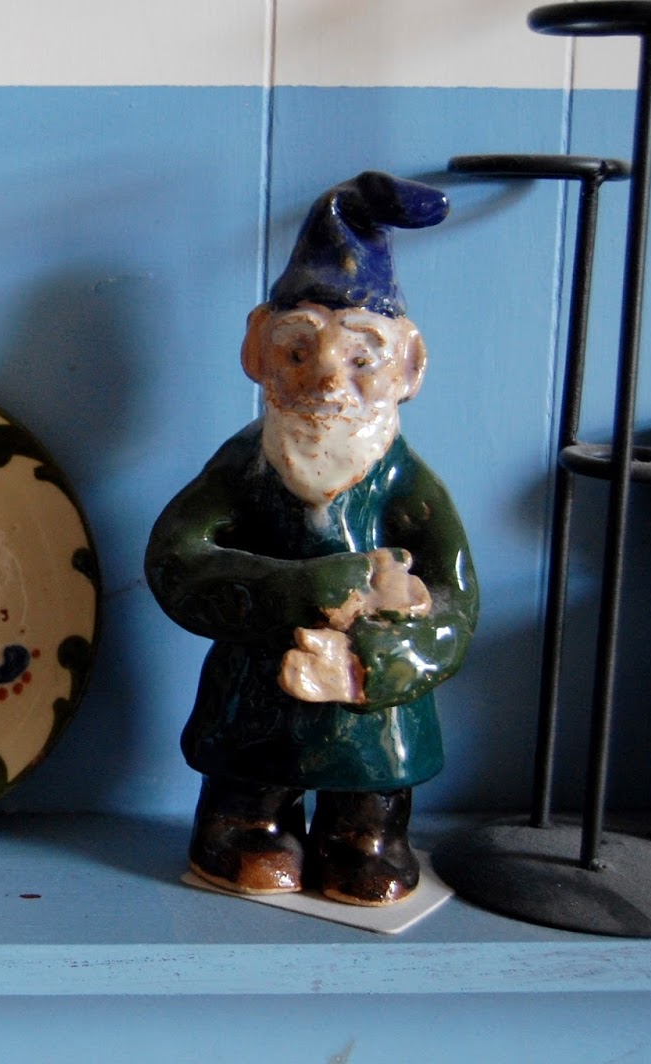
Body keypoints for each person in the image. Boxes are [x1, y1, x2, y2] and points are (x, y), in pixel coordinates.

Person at [145, 171, 478, 906]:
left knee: (369, 812)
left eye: (361, 359)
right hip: (257, 693)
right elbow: (175, 560)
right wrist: (299, 590)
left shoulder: (407, 488)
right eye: (300, 352)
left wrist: (375, 664)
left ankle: (365, 838)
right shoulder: (242, 469)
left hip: (373, 711)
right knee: (247, 785)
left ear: (409, 365)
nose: (328, 382)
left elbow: (456, 603)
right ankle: (244, 832)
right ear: (259, 350)